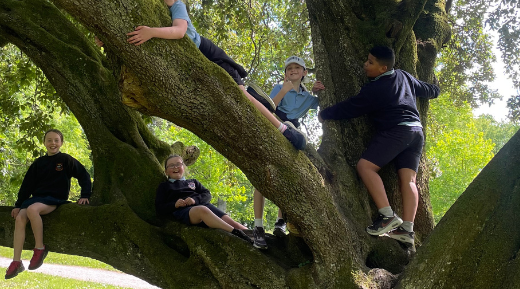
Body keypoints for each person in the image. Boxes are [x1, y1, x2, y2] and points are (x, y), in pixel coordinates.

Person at [127, 0, 306, 152]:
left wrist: (151, 32)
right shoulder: (155, 9)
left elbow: (180, 31)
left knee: (242, 97)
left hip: (210, 54)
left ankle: (284, 130)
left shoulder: (178, 6)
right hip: (197, 62)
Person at [319, 46, 439, 245]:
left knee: (365, 167)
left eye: (370, 62)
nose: (365, 65)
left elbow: (351, 107)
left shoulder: (374, 89)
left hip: (397, 131)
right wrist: (436, 89)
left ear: (383, 69)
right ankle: (407, 229)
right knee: (409, 180)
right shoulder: (404, 76)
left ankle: (387, 215)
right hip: (416, 132)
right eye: (367, 60)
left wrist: (325, 114)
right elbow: (425, 89)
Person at [253, 56, 325, 237]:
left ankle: (280, 221)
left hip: (293, 131)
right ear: (285, 73)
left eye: (297, 68)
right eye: (289, 68)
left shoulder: (307, 97)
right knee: (262, 172)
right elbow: (268, 108)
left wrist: (317, 92)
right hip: (275, 123)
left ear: (304, 73)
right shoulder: (280, 87)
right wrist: (284, 90)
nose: (293, 70)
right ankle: (258, 224)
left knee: (287, 174)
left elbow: (320, 105)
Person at [6, 129, 92, 279]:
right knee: (20, 217)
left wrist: (85, 195)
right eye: (49, 140)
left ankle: (40, 248)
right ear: (44, 143)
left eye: (56, 140)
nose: (53, 143)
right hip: (37, 198)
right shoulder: (39, 163)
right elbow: (27, 185)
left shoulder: (66, 160)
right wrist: (18, 204)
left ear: (61, 143)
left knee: (33, 210)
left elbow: (84, 175)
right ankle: (16, 261)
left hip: (54, 199)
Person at [155, 154, 259, 248]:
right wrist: (175, 204)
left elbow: (207, 194)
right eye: (171, 165)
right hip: (186, 212)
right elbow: (159, 207)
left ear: (184, 167)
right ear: (166, 171)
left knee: (234, 223)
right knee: (202, 210)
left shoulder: (193, 182)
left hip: (205, 206)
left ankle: (257, 237)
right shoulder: (165, 186)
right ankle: (235, 233)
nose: (175, 167)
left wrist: (195, 200)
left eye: (178, 164)